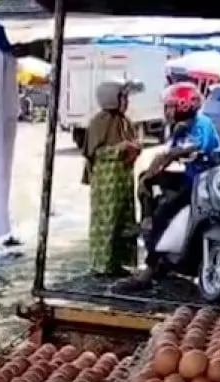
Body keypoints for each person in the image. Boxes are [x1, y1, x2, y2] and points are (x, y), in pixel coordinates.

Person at [114, 82, 220, 293]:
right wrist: (150, 175)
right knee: (146, 181)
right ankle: (146, 221)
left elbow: (179, 151)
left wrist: (164, 159)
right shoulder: (181, 128)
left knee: (163, 214)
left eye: (170, 106)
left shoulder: (202, 124)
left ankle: (150, 268)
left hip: (203, 184)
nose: (167, 112)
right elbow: (167, 155)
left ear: (183, 106)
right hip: (191, 179)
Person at [82, 81, 141, 277]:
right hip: (107, 181)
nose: (126, 102)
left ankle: (120, 262)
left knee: (123, 220)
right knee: (107, 222)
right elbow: (95, 153)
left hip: (123, 179)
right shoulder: (100, 122)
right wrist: (119, 148)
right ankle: (103, 265)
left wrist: (134, 148)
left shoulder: (125, 121)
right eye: (123, 98)